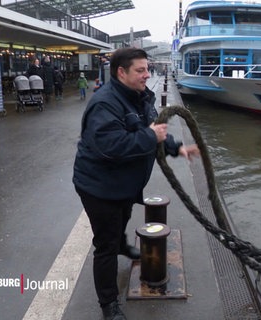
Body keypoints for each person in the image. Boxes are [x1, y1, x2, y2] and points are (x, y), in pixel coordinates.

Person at [72, 47, 199, 320]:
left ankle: (122, 244)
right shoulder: (105, 103)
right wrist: (151, 138)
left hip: (124, 184)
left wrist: (177, 148)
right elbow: (110, 147)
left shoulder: (139, 96)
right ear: (121, 72)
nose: (146, 75)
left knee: (123, 217)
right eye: (140, 70)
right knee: (104, 245)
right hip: (100, 187)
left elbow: (154, 129)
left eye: (147, 69)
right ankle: (109, 304)